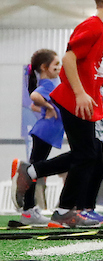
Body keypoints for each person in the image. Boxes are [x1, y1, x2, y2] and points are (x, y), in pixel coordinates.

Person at [15, 0, 103, 228]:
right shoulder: (91, 26)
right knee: (86, 155)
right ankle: (61, 207)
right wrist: (80, 93)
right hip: (74, 101)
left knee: (87, 155)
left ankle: (38, 179)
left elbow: (92, 70)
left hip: (88, 103)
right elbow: (69, 59)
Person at [13, 50, 63, 225]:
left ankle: (29, 210)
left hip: (45, 132)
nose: (59, 67)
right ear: (44, 67)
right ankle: (28, 211)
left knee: (36, 170)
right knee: (34, 171)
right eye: (55, 65)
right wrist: (49, 107)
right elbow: (34, 97)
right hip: (45, 132)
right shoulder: (48, 83)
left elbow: (34, 105)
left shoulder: (49, 82)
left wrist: (45, 109)